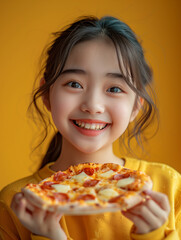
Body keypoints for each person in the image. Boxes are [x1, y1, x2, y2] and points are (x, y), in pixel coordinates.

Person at [0, 15, 180, 240]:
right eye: (74, 84)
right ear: (47, 94)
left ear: (136, 106)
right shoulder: (15, 203)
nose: (93, 106)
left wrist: (153, 235)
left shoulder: (170, 188)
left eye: (114, 88)